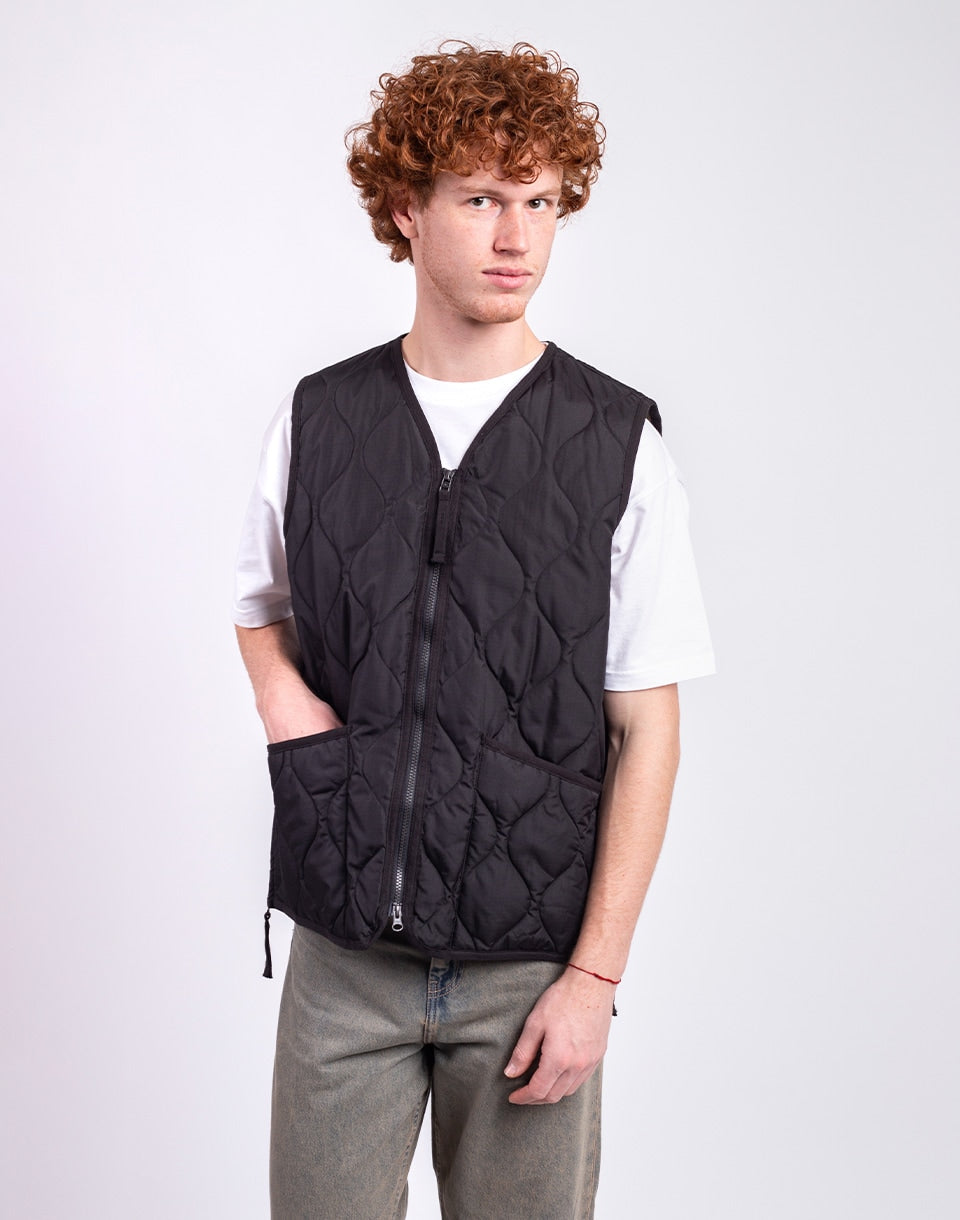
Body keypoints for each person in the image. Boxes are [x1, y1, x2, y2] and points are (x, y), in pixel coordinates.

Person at [233, 41, 714, 1219]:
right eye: (484, 198)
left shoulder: (615, 442)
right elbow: (259, 605)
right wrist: (287, 704)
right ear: (407, 207)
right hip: (344, 956)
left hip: (527, 971)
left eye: (541, 201)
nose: (518, 236)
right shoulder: (320, 416)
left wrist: (594, 975)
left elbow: (648, 729)